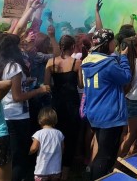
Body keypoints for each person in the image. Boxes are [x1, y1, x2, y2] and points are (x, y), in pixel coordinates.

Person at [0, 32, 50, 181]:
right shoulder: (14, 66)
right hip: (17, 117)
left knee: (5, 158)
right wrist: (39, 90)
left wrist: (24, 82)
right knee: (18, 159)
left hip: (3, 115)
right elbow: (17, 97)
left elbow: (8, 89)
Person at [80, 29, 131, 179]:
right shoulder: (108, 64)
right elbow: (126, 78)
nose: (115, 44)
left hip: (95, 113)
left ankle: (91, 176)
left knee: (102, 152)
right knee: (105, 156)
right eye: (113, 41)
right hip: (110, 115)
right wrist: (124, 58)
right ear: (107, 43)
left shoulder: (87, 61)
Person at [43, 35, 81, 180]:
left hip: (56, 104)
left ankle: (53, 170)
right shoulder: (77, 63)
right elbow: (80, 85)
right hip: (71, 104)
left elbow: (46, 85)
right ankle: (64, 175)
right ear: (72, 47)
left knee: (55, 137)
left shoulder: (50, 62)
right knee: (70, 138)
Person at [30, 107, 65, 181]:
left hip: (42, 170)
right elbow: (62, 148)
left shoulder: (39, 134)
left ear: (40, 119)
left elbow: (34, 148)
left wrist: (29, 152)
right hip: (56, 169)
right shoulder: (59, 133)